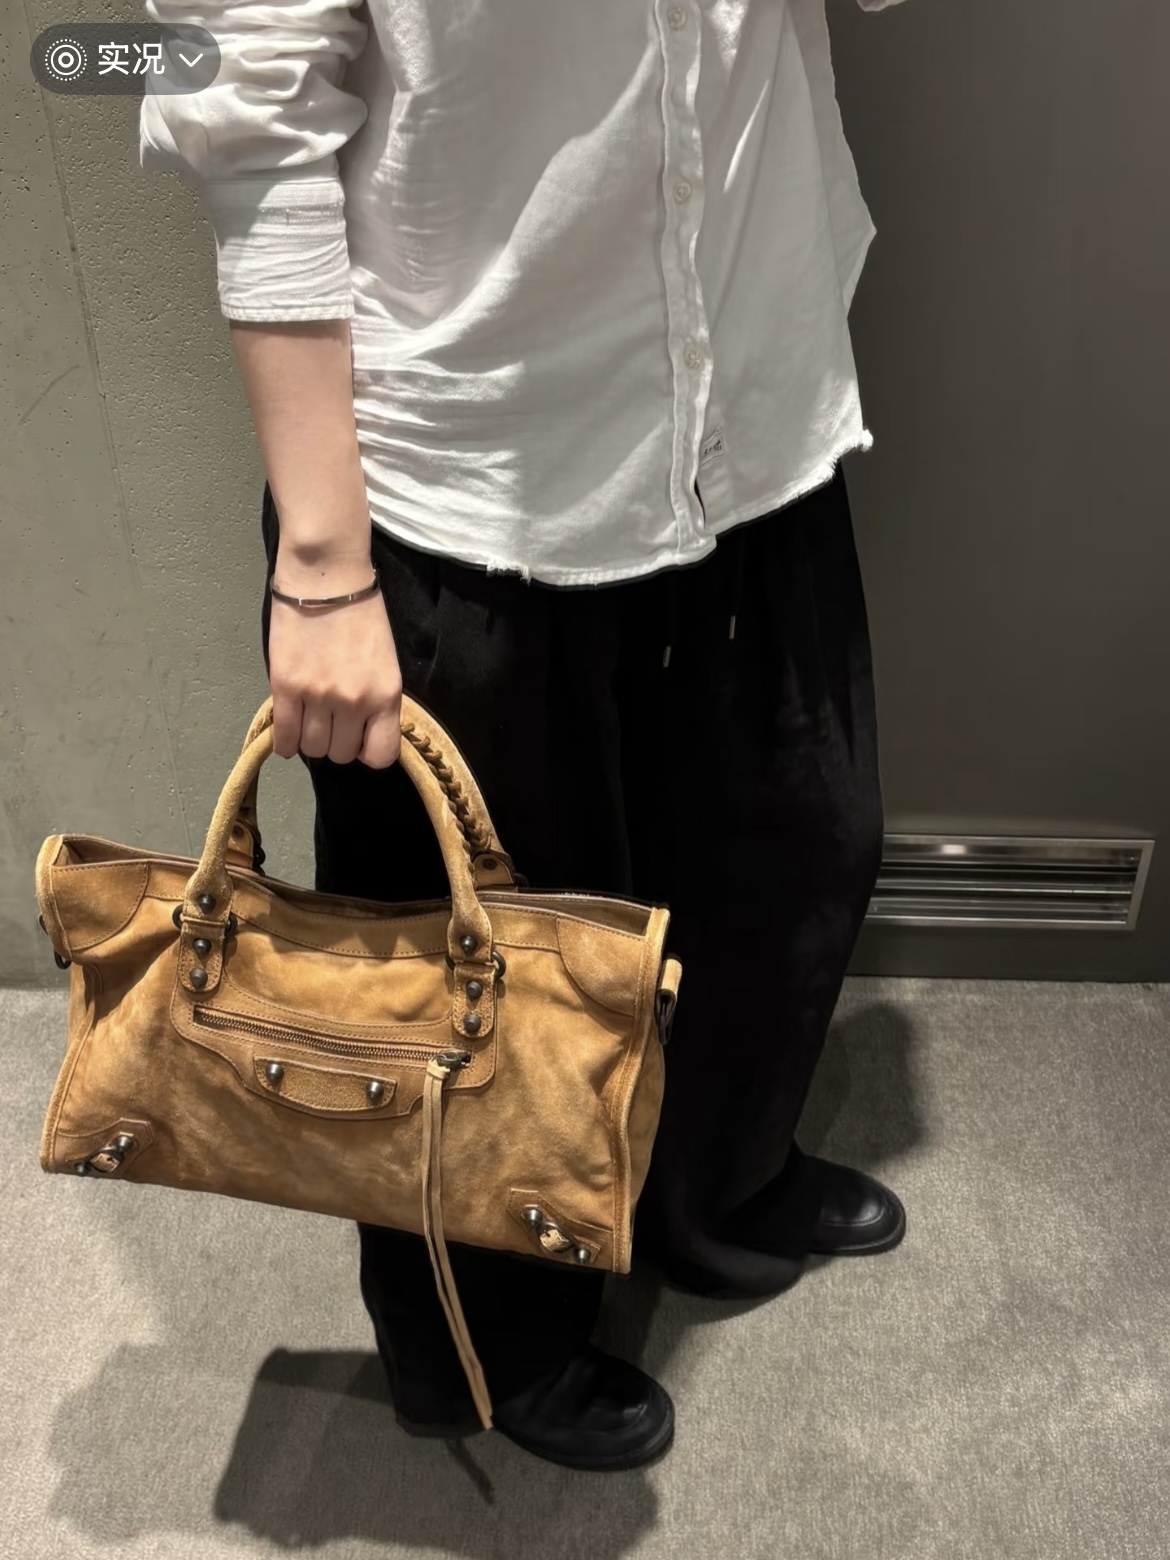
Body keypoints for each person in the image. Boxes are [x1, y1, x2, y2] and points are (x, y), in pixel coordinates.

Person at [140, 0, 910, 1472]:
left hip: (751, 413)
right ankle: (495, 1349)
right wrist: (321, 565)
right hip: (472, 479)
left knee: (786, 867)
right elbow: (253, 117)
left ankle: (713, 1188)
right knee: (474, 991)